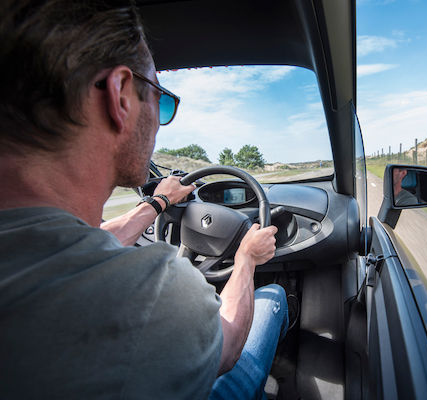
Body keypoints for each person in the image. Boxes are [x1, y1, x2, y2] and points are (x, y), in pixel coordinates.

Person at [0, 1, 286, 398]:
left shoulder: (29, 248)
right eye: (160, 98)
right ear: (119, 96)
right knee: (272, 299)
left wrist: (157, 204)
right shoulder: (150, 293)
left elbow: (95, 238)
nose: (159, 119)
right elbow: (229, 343)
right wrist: (246, 260)